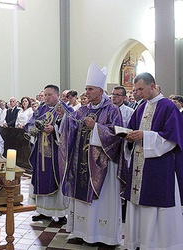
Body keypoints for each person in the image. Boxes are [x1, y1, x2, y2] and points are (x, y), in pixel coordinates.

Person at [57, 63, 124, 246]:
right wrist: (67, 118)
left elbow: (117, 135)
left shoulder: (112, 110)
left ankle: (103, 236)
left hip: (103, 164)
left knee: (101, 202)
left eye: (90, 89)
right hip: (81, 163)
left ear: (101, 90)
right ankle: (81, 232)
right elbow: (71, 127)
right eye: (86, 89)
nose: (86, 92)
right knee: (82, 200)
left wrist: (96, 128)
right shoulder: (83, 110)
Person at [123, 73, 183, 250]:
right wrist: (129, 138)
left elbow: (173, 140)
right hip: (138, 165)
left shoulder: (168, 107)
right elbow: (131, 128)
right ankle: (139, 242)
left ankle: (157, 244)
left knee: (155, 205)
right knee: (137, 204)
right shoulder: (141, 108)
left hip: (159, 166)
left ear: (153, 86)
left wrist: (144, 136)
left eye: (141, 89)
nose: (138, 93)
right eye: (136, 90)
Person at [26, 84, 71, 223]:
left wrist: (55, 129)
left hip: (57, 154)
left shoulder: (64, 110)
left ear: (57, 95)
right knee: (41, 180)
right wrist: (35, 128)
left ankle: (61, 213)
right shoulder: (41, 109)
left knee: (57, 180)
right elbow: (30, 124)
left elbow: (71, 127)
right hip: (41, 153)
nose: (46, 97)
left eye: (50, 95)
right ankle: (43, 211)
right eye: (45, 95)